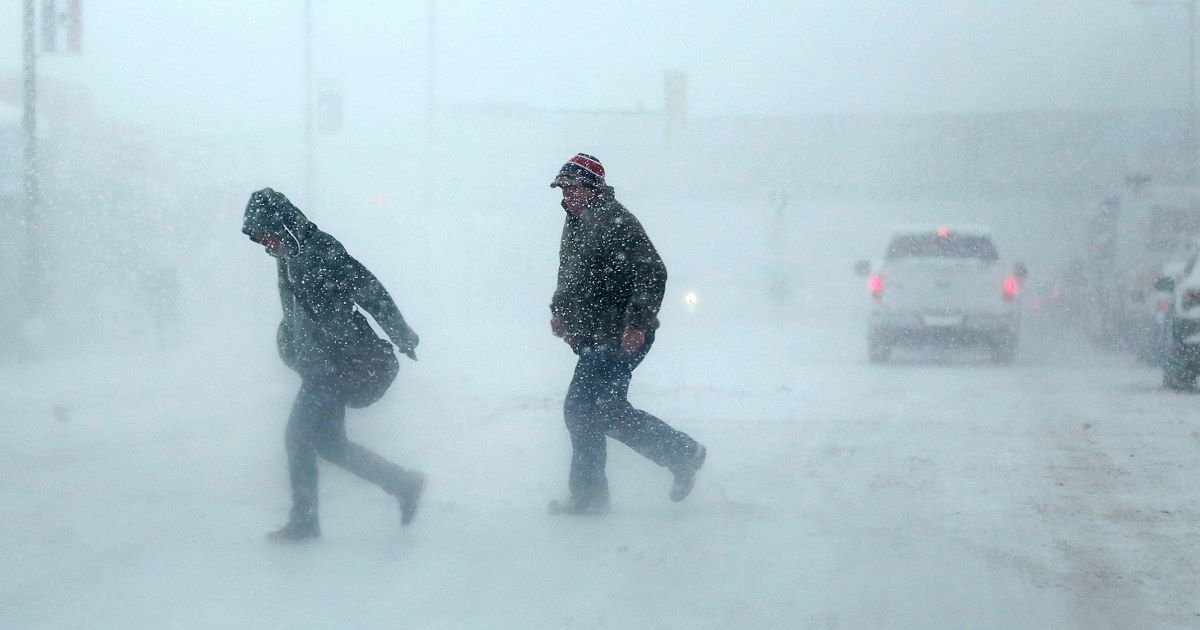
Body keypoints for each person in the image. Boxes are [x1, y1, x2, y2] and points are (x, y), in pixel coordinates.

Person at [242, 188, 425, 541]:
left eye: (263, 231)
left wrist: (401, 334)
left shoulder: (318, 248)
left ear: (278, 223)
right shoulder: (287, 253)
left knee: (297, 437)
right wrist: (289, 343)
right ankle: (403, 483)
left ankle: (305, 520)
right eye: (257, 236)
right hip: (320, 364)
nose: (262, 241)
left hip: (337, 362)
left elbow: (368, 287)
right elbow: (296, 312)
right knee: (329, 444)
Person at [547, 154, 707, 515]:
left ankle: (593, 496)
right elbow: (569, 274)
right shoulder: (576, 221)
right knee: (599, 410)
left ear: (592, 189)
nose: (566, 195)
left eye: (572, 188)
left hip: (620, 335)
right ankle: (681, 454)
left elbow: (653, 273)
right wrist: (560, 310)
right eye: (563, 188)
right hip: (594, 334)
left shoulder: (616, 222)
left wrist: (636, 323)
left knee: (585, 409)